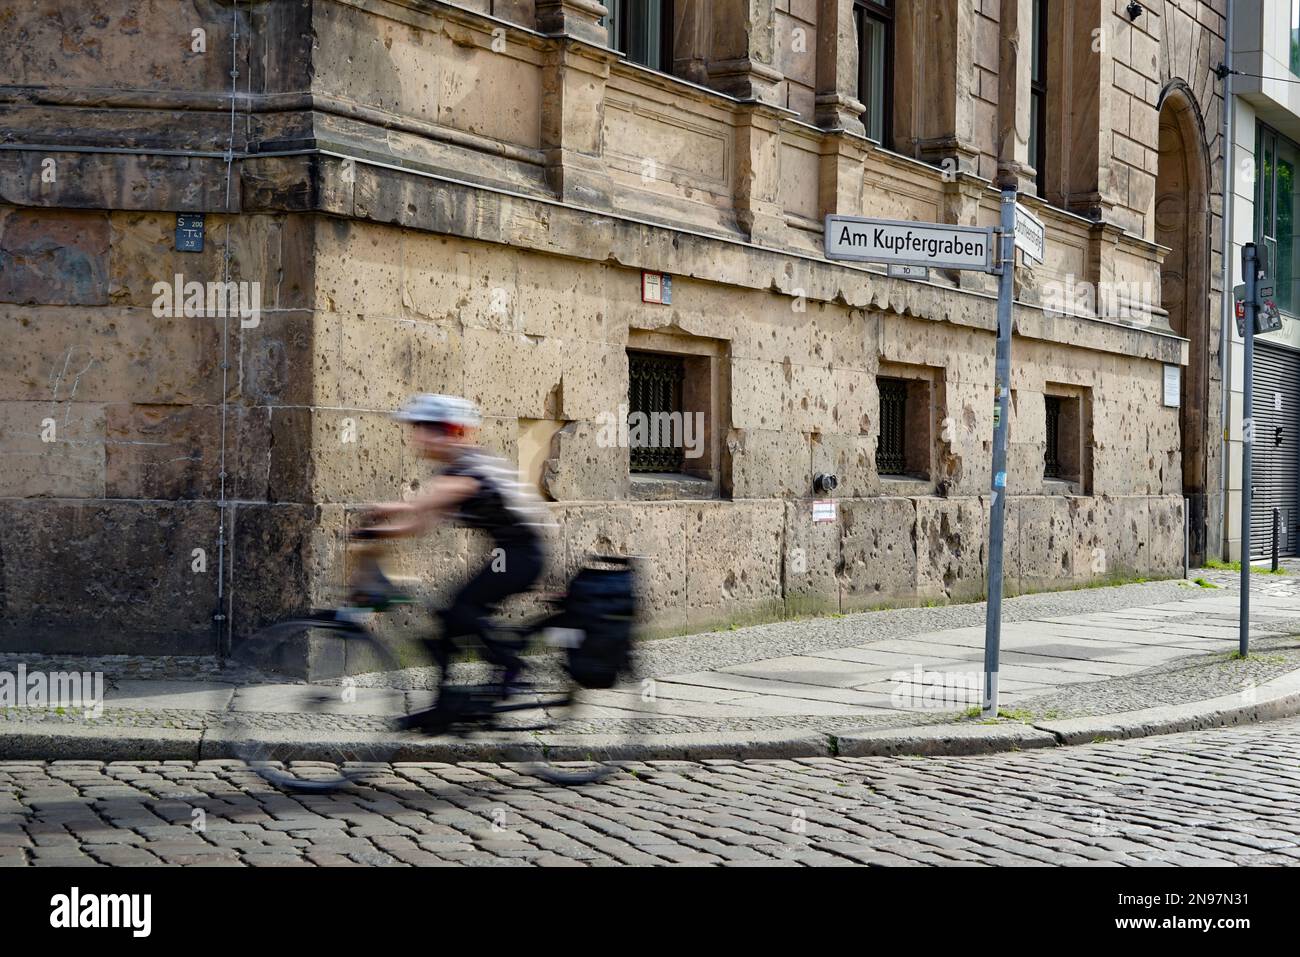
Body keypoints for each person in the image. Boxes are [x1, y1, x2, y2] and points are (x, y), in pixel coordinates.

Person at [351, 394, 549, 707]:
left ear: (449, 431)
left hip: (524, 556)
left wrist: (376, 521)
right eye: (417, 428)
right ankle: (446, 699)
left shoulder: (467, 470)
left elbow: (419, 512)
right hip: (511, 554)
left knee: (463, 610)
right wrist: (378, 521)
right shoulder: (456, 468)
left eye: (424, 428)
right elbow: (421, 522)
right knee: (452, 618)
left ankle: (513, 668)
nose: (416, 436)